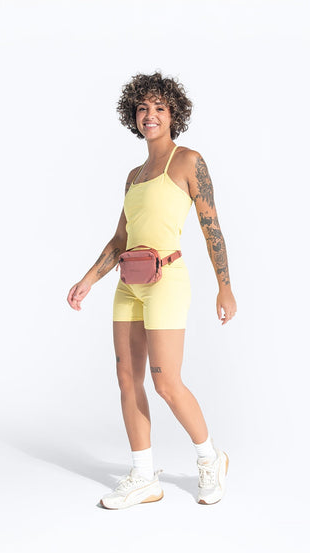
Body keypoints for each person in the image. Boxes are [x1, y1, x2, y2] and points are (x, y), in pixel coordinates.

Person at [67, 72, 237, 509]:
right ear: (134, 115)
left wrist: (225, 287)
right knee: (127, 379)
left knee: (166, 383)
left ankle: (210, 458)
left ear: (173, 114)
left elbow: (212, 228)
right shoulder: (134, 176)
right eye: (143, 108)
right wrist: (89, 279)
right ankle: (144, 476)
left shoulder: (188, 161)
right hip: (128, 283)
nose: (150, 115)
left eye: (159, 108)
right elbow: (121, 238)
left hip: (167, 281)